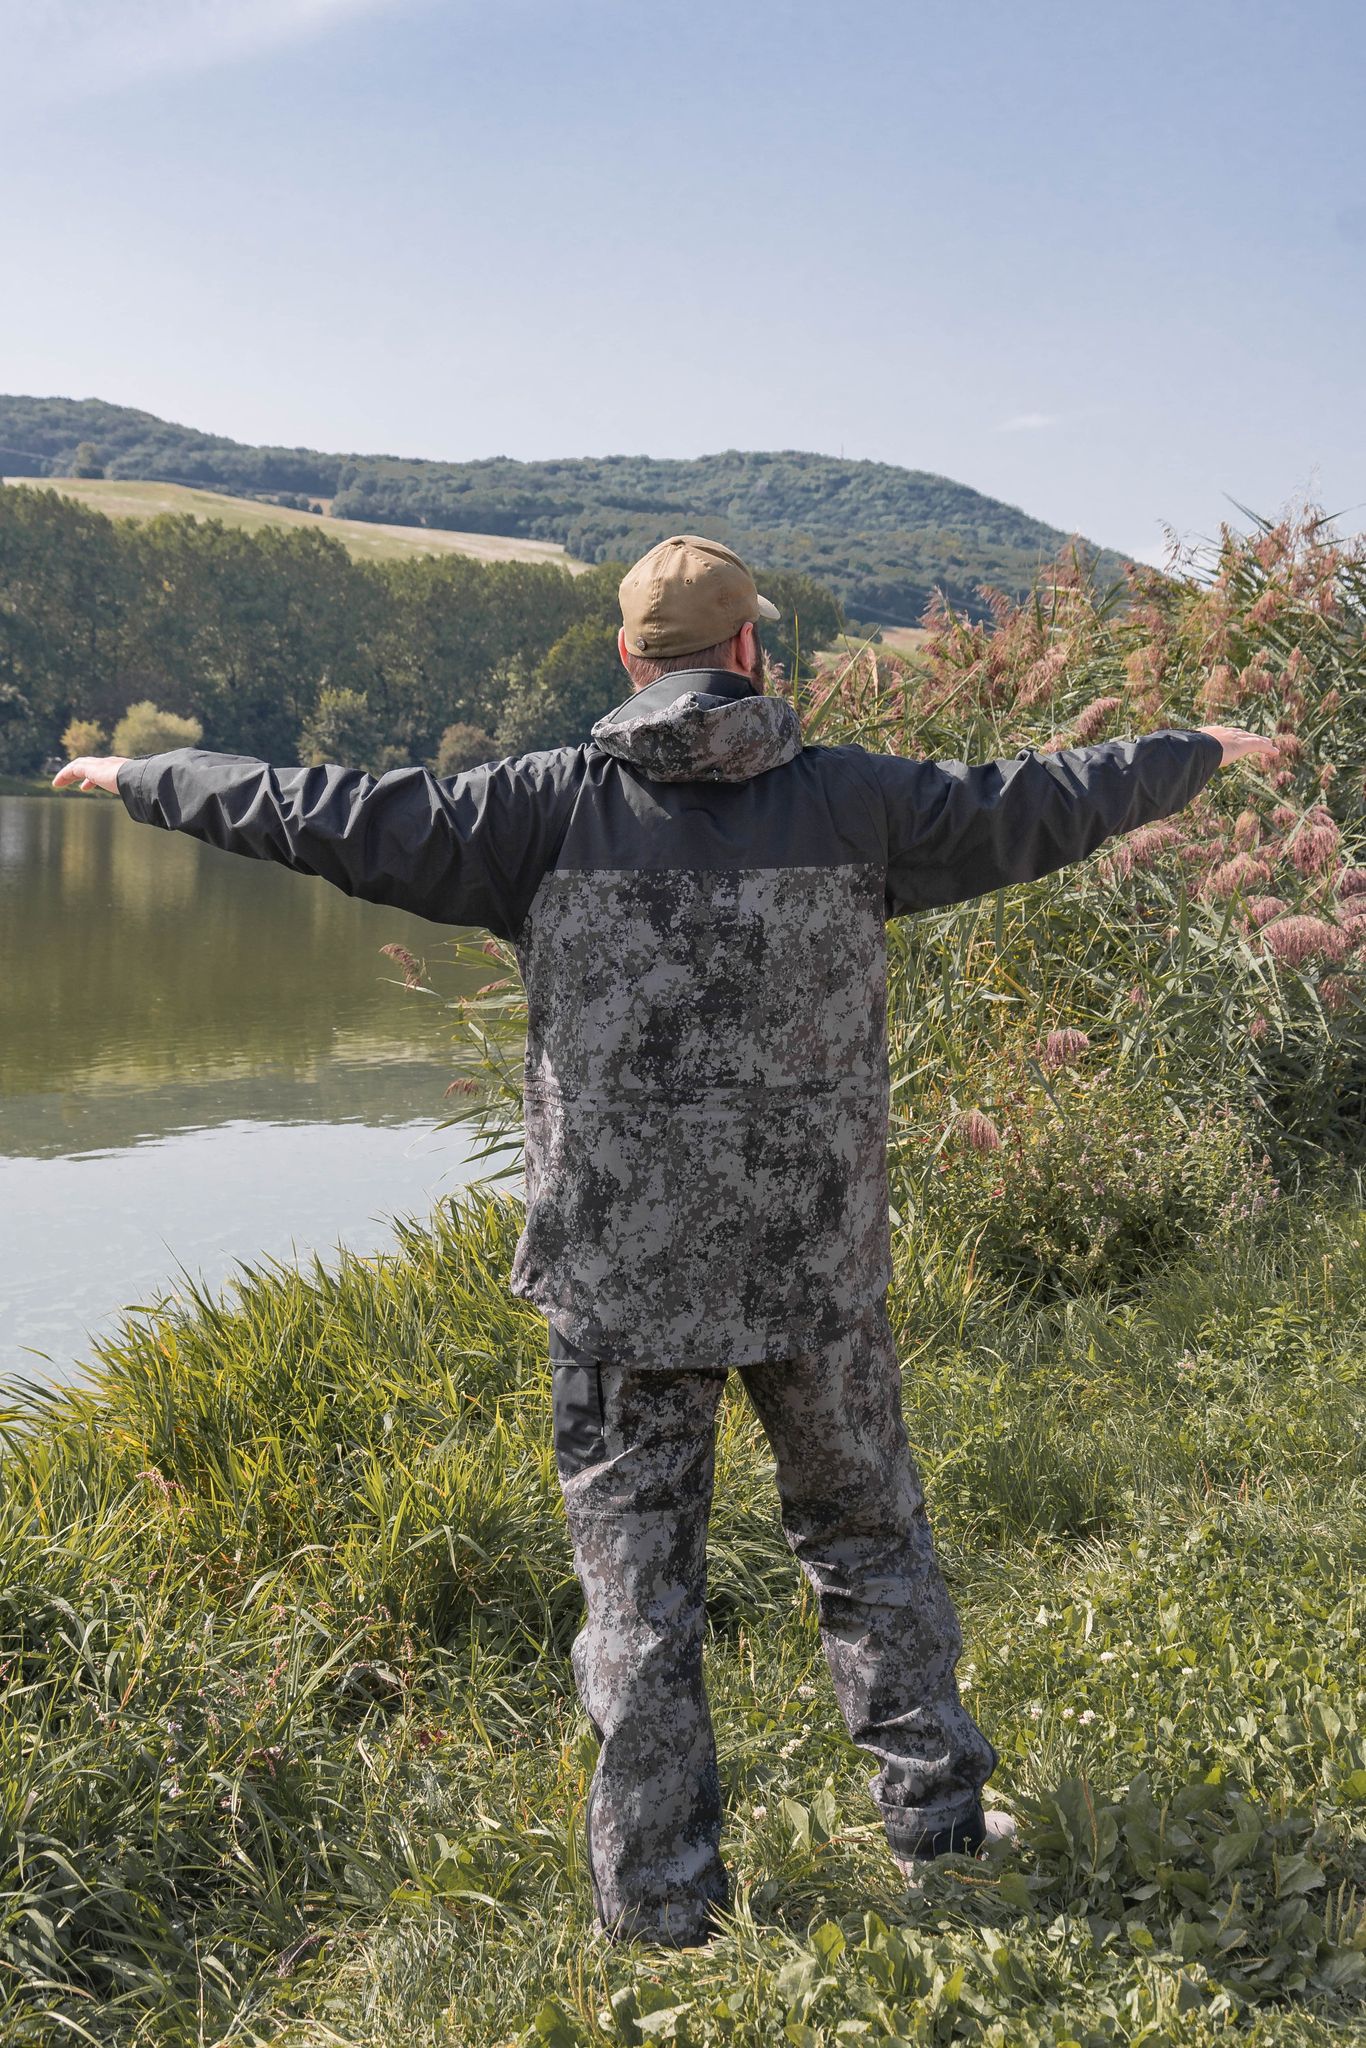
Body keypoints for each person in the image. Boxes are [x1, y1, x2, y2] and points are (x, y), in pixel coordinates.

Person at [56, 534, 1278, 1947]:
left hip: (619, 1286)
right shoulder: (863, 802)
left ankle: (661, 1906)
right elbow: (1044, 799)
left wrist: (144, 777)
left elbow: (316, 808)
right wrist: (1192, 746)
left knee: (637, 1586)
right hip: (812, 1268)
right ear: (751, 649)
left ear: (629, 659)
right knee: (866, 1534)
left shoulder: (528, 811)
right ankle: (937, 1822)